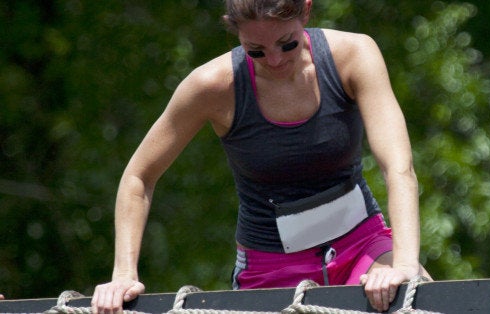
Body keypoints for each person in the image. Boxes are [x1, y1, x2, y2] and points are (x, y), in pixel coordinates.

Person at [91, 0, 431, 313]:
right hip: (271, 267)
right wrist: (123, 273)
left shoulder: (354, 54)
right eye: (255, 50)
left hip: (363, 244)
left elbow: (398, 168)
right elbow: (138, 176)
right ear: (235, 33)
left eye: (288, 44)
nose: (275, 60)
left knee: (419, 299)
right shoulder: (211, 85)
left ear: (306, 13)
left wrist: (403, 266)